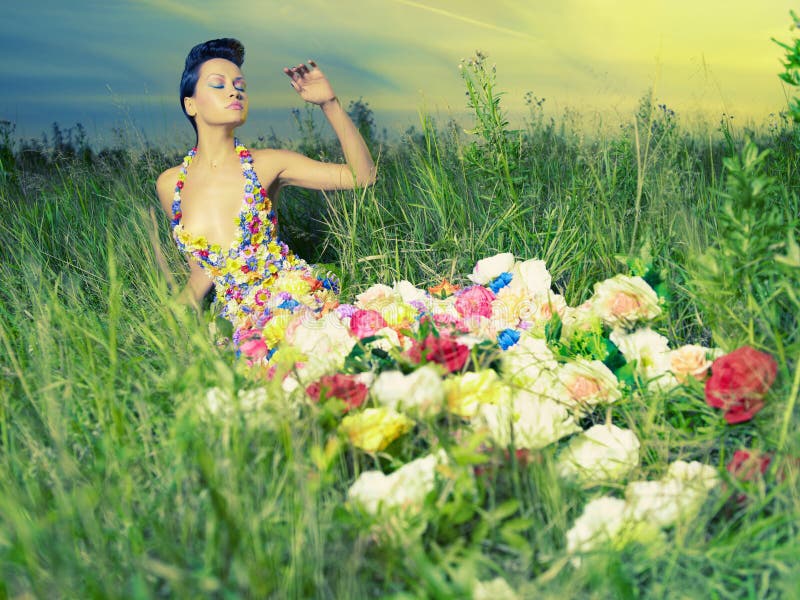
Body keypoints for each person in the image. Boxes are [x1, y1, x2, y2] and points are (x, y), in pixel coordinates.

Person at [156, 38, 376, 359]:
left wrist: (330, 104)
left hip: (287, 300)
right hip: (232, 318)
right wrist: (172, 320)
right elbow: (200, 272)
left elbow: (363, 176)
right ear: (190, 105)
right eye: (218, 85)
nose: (234, 92)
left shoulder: (268, 163)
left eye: (240, 85)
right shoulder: (170, 184)